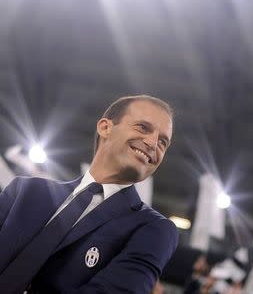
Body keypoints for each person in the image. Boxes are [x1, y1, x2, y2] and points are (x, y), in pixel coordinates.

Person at [0, 95, 179, 293]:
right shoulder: (25, 191)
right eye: (143, 127)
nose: (153, 143)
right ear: (105, 128)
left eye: (163, 142)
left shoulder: (154, 229)